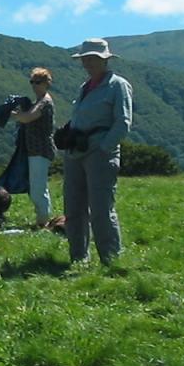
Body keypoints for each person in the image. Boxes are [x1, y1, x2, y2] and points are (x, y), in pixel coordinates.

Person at [62, 38, 133, 267]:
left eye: (93, 59)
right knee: (73, 208)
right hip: (75, 152)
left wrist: (104, 148)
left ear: (105, 60)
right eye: (85, 59)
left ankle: (111, 260)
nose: (88, 63)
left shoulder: (117, 85)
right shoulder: (85, 87)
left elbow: (123, 122)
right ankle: (78, 258)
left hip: (100, 154)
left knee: (101, 210)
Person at [9, 67, 56, 226]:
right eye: (32, 82)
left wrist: (12, 115)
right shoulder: (39, 101)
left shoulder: (44, 102)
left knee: (38, 189)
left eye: (38, 82)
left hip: (40, 150)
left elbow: (28, 118)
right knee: (37, 186)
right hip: (35, 150)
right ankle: (43, 219)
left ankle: (43, 223)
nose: (34, 85)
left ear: (46, 83)